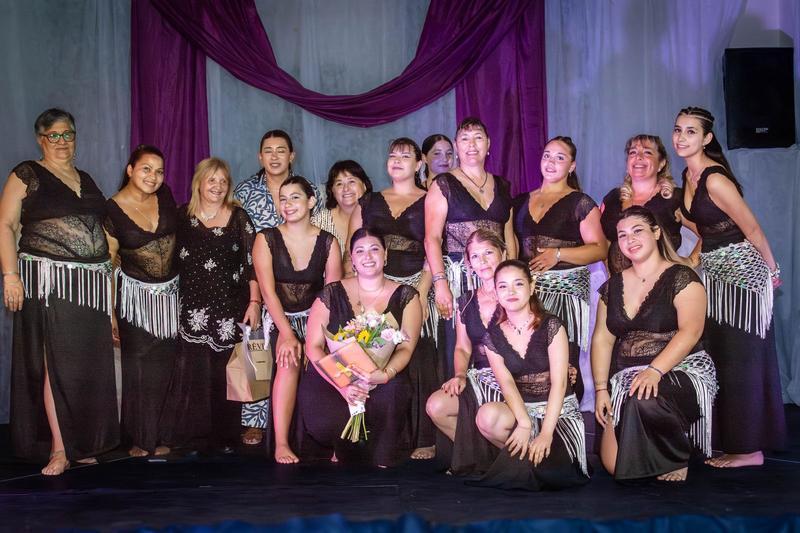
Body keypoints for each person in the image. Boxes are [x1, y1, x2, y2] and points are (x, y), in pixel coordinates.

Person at [0, 108, 118, 475]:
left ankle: (82, 443)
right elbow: (5, 224)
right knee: (58, 363)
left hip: (90, 288)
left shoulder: (85, 178)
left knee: (87, 366)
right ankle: (59, 448)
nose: (62, 141)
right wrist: (10, 276)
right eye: (54, 135)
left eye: (68, 134)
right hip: (50, 283)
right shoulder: (27, 174)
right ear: (41, 140)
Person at [674, 106, 785, 467]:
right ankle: (736, 442)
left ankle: (751, 450)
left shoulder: (715, 179)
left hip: (742, 277)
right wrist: (680, 215)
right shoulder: (687, 175)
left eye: (691, 131)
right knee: (722, 358)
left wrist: (772, 269)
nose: (681, 137)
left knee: (743, 361)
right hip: (715, 277)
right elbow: (708, 227)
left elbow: (751, 228)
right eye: (678, 130)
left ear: (707, 138)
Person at [591, 206, 717, 482]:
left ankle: (675, 455)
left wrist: (654, 370)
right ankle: (656, 445)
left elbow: (691, 331)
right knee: (613, 465)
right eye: (622, 235)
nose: (630, 240)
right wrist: (601, 389)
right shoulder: (612, 286)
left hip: (680, 370)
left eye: (638, 231)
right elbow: (602, 339)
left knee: (644, 398)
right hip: (627, 377)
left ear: (656, 233)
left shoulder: (682, 277)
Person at [160, 157, 261, 453]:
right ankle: (191, 437)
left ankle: (225, 438)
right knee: (192, 372)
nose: (217, 186)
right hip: (191, 308)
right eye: (211, 180)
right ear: (199, 183)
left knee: (225, 373)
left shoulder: (239, 217)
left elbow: (252, 263)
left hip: (230, 307)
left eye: (223, 181)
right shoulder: (182, 216)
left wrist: (255, 302)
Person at [301, 228, 422, 466]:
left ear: (385, 256)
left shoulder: (407, 296)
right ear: (352, 259)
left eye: (374, 249)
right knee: (323, 414)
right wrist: (343, 385)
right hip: (337, 376)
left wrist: (384, 375)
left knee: (394, 389)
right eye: (360, 251)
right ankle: (340, 443)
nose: (368, 256)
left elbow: (405, 349)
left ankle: (378, 448)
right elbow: (313, 347)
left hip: (382, 376)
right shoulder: (330, 293)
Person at [234, 129, 323, 446]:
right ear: (260, 156)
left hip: (300, 282)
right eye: (268, 151)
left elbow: (318, 233)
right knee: (255, 346)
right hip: (256, 278)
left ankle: (305, 420)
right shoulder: (244, 192)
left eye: (281, 150)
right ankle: (254, 420)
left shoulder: (309, 190)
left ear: (291, 156)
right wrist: (254, 296)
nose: (274, 156)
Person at [348, 138, 435, 460]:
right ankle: (378, 435)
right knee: (373, 358)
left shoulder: (430, 199)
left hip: (415, 285)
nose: (397, 160)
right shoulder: (370, 201)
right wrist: (356, 294)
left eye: (405, 155)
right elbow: (352, 249)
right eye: (392, 155)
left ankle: (425, 437)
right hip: (375, 289)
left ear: (419, 164)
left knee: (419, 358)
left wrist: (421, 293)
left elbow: (434, 248)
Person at [473, 260, 589, 490]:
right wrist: (525, 424)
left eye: (518, 284)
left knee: (550, 469)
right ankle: (523, 460)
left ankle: (526, 462)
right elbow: (506, 384)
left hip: (557, 413)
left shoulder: (552, 326)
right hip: (522, 411)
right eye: (503, 286)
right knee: (487, 415)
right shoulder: (492, 337)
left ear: (531, 286)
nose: (511, 291)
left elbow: (560, 383)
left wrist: (546, 433)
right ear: (496, 292)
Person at [253, 176, 342, 463]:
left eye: (295, 197)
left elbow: (332, 295)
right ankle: (281, 443)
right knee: (289, 360)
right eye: (283, 199)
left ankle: (336, 442)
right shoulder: (265, 239)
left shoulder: (328, 242)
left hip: (318, 319)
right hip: (280, 319)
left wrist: (318, 340)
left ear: (311, 201)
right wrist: (288, 334)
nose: (288, 204)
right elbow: (268, 293)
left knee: (331, 363)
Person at [512, 136, 607, 399]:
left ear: (572, 166)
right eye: (547, 155)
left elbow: (600, 248)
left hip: (565, 295)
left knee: (563, 366)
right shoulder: (520, 201)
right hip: (529, 295)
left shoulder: (580, 202)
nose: (551, 162)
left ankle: (566, 419)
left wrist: (558, 254)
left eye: (560, 157)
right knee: (530, 364)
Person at [424, 117, 515, 379]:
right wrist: (441, 283)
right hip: (458, 280)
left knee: (502, 343)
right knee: (459, 347)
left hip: (496, 280)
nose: (471, 145)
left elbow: (509, 238)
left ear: (488, 144)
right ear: (456, 146)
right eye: (464, 139)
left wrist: (510, 279)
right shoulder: (443, 184)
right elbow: (431, 238)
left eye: (477, 138)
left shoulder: (503, 185)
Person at [105, 145, 178, 457]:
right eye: (146, 169)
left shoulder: (166, 195)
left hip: (171, 297)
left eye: (159, 171)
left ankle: (162, 434)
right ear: (130, 170)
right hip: (134, 300)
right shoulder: (111, 209)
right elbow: (109, 263)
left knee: (166, 366)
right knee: (138, 367)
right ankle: (139, 438)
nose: (153, 176)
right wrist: (110, 313)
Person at [426, 229, 505, 475]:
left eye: (488, 253)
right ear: (469, 264)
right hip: (480, 376)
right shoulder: (466, 301)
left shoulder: (517, 293)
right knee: (436, 405)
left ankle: (517, 461)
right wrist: (460, 374)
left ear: (503, 254)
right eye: (475, 256)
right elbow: (462, 347)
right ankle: (484, 458)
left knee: (490, 417)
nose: (483, 261)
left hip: (513, 378)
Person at [600, 134, 699, 274]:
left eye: (647, 152)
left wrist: (691, 261)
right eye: (633, 152)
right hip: (620, 284)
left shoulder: (676, 198)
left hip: (663, 283)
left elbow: (710, 233)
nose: (638, 157)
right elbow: (604, 244)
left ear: (661, 163)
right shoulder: (612, 198)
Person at [313, 160, 373, 261]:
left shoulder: (380, 217)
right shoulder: (318, 223)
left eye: (351, 182)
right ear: (332, 190)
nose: (346, 189)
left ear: (364, 186)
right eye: (339, 184)